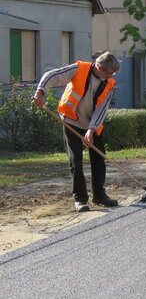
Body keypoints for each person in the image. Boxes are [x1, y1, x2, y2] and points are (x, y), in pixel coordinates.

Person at [32, 52, 121, 212]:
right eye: (108, 73)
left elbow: (101, 110)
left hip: (92, 124)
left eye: (112, 74)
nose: (110, 76)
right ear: (100, 68)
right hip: (71, 120)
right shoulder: (78, 69)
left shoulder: (109, 84)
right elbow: (51, 75)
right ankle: (80, 199)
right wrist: (40, 92)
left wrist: (91, 130)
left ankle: (100, 196)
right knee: (76, 160)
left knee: (99, 158)